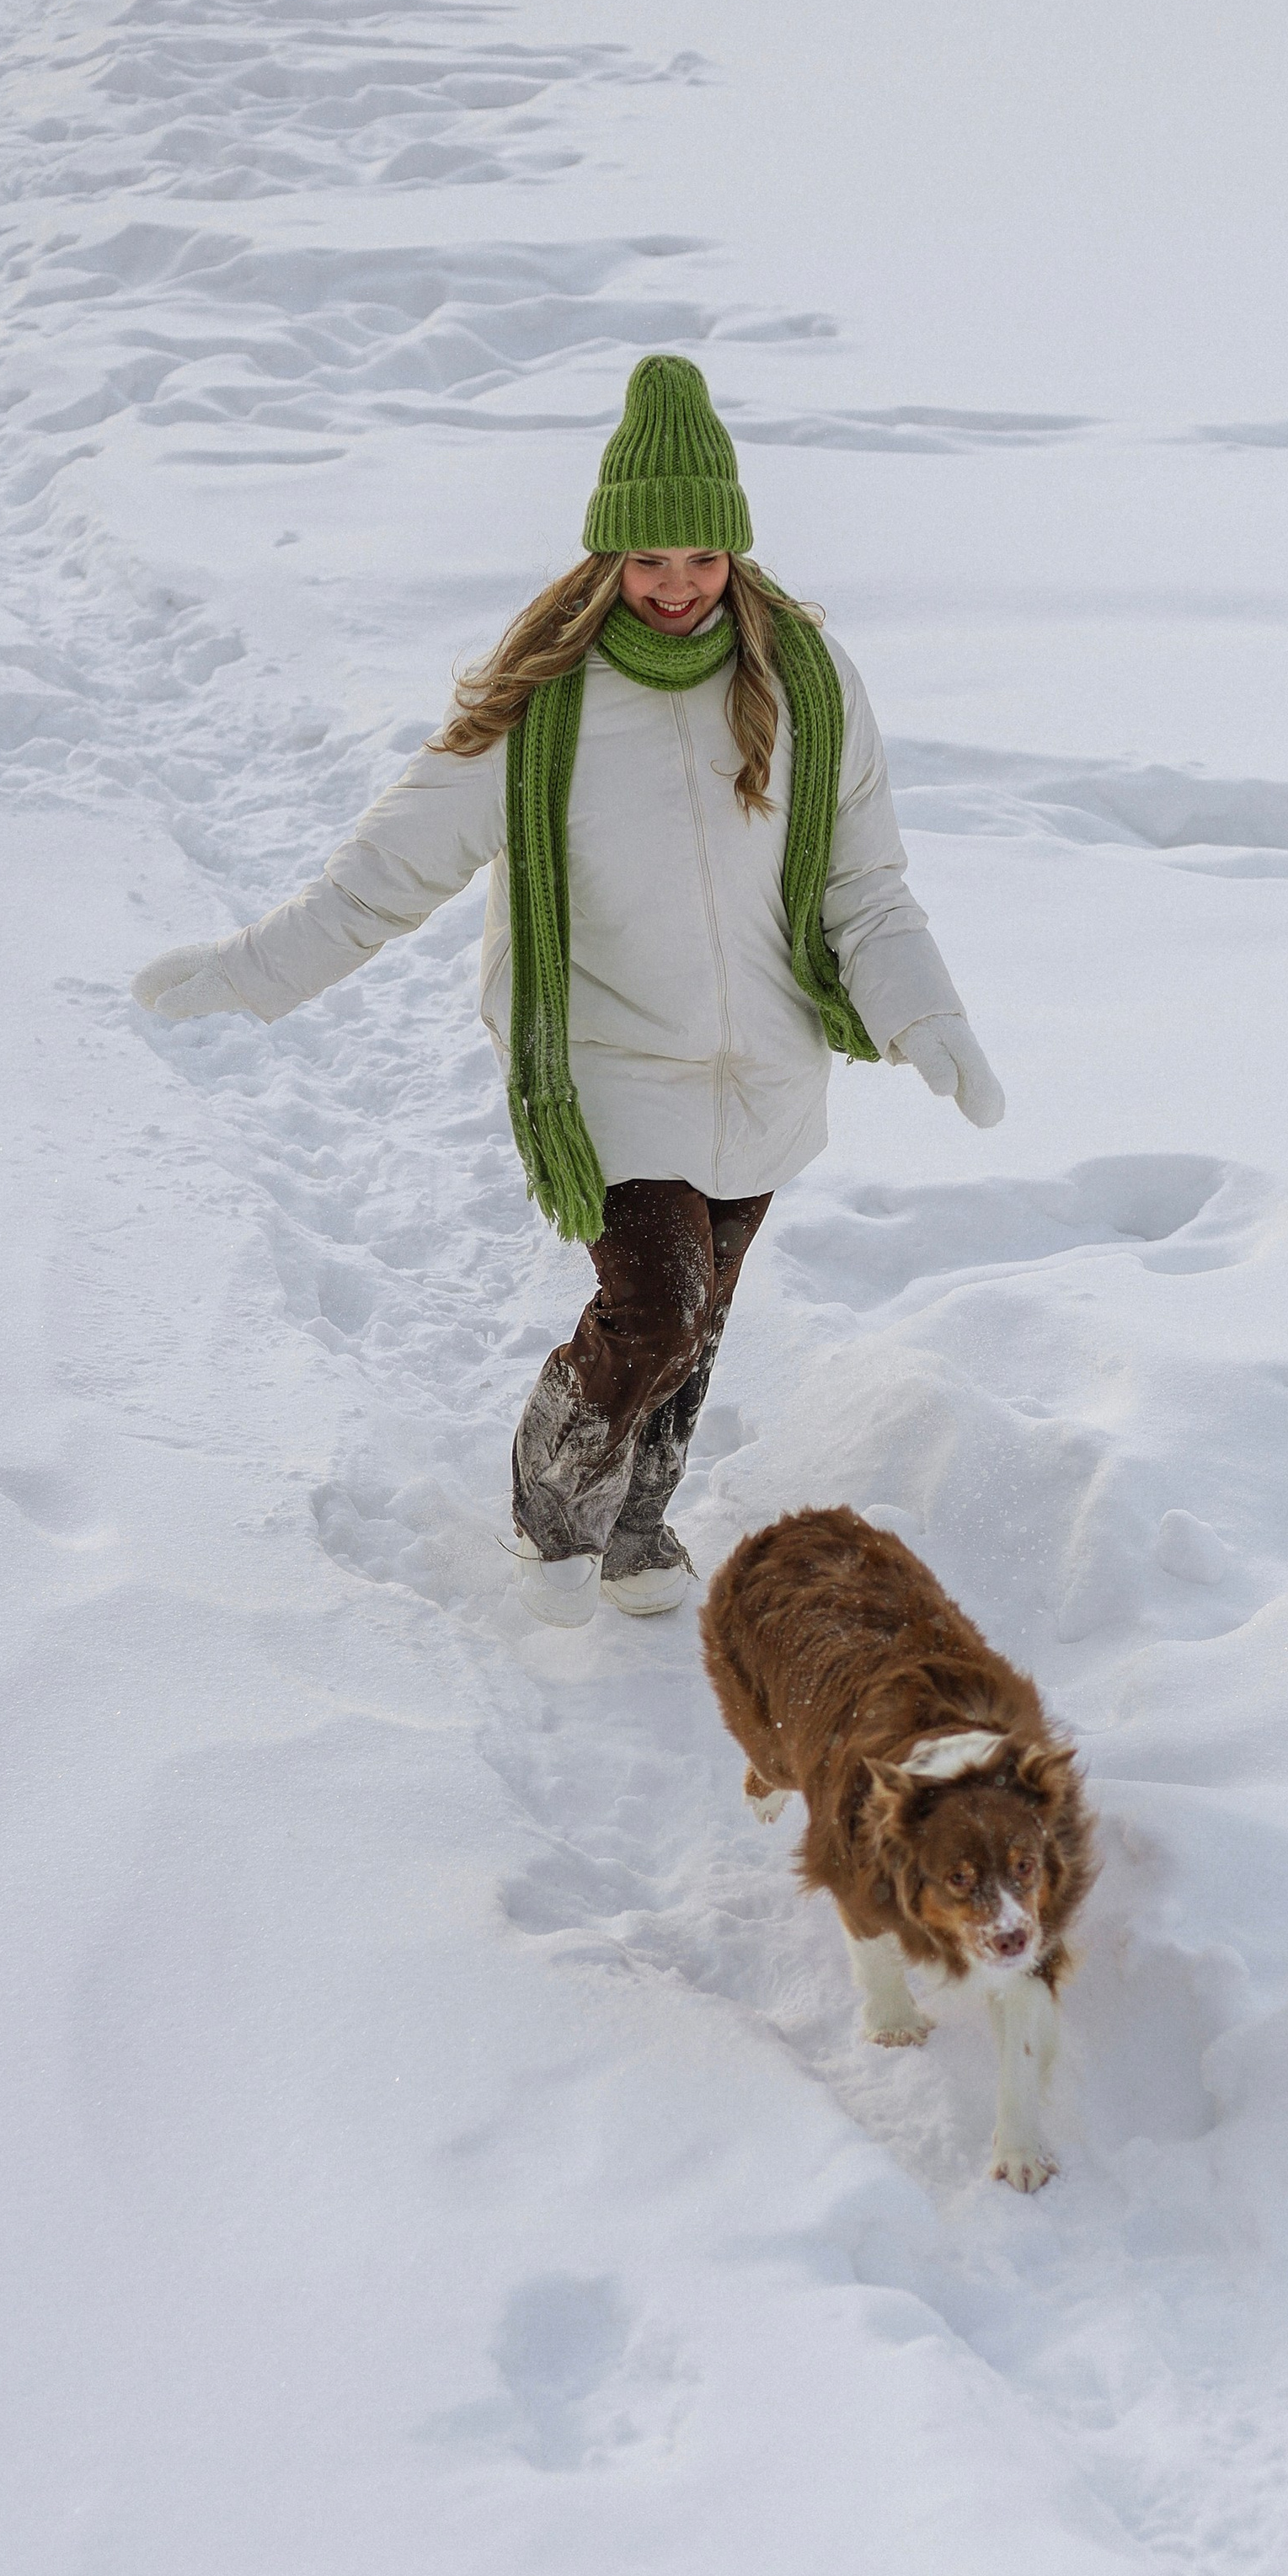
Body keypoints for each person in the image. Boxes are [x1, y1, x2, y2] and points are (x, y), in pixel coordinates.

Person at [133, 355, 1002, 1627]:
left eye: (699, 557)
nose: (674, 586)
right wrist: (246, 974)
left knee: (698, 1325)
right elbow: (385, 870)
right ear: (606, 553)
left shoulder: (809, 682)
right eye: (648, 559)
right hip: (603, 1060)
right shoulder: (545, 702)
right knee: (652, 1312)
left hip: (762, 1063)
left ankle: (641, 1522)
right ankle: (555, 1510)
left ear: (734, 549)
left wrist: (928, 1016)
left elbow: (864, 885)